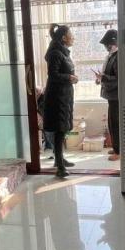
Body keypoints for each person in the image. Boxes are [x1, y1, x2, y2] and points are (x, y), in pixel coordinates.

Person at [43, 24, 78, 177]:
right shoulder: (56, 53)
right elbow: (53, 75)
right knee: (60, 129)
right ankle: (60, 167)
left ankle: (59, 160)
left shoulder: (62, 52)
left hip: (64, 96)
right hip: (57, 97)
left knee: (62, 129)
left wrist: (71, 78)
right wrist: (69, 77)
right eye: (71, 34)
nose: (73, 37)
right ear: (64, 37)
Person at [95, 29, 120, 161]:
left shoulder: (118, 57)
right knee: (112, 123)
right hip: (112, 96)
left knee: (116, 124)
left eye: (107, 44)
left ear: (113, 43)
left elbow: (119, 79)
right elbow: (108, 74)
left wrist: (103, 78)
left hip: (116, 96)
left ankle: (119, 151)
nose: (106, 47)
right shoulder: (111, 56)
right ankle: (116, 148)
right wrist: (100, 79)